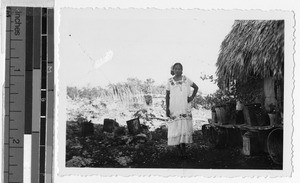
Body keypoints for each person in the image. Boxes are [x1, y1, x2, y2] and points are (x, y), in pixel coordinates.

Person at [166, 62, 198, 159]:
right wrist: (167, 108)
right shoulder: (170, 81)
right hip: (174, 108)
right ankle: (178, 149)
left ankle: (184, 149)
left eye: (179, 68)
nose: (178, 70)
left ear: (182, 70)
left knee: (184, 128)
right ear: (173, 70)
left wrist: (191, 97)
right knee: (175, 128)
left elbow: (196, 87)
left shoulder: (186, 79)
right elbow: (167, 96)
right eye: (176, 68)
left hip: (184, 107)